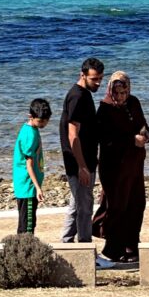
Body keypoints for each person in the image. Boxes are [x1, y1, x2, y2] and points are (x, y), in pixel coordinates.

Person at [93, 71, 149, 263]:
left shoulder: (134, 103)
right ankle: (112, 249)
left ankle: (131, 246)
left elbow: (143, 125)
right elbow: (105, 139)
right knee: (117, 206)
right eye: (117, 93)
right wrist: (131, 140)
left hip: (135, 164)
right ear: (111, 90)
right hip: (114, 167)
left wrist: (148, 134)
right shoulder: (105, 108)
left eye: (123, 93)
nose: (120, 97)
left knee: (137, 204)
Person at [59, 58, 108, 266]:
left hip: (86, 160)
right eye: (94, 79)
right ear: (83, 75)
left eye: (100, 79)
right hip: (79, 164)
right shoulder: (77, 97)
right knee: (85, 207)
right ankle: (87, 254)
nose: (98, 83)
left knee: (76, 204)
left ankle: (66, 245)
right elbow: (73, 135)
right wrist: (82, 166)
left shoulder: (84, 94)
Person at [12, 98, 52, 234]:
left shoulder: (31, 129)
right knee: (27, 226)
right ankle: (24, 254)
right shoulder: (30, 135)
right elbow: (29, 165)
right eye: (40, 121)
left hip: (26, 185)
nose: (44, 124)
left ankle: (22, 252)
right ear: (31, 116)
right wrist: (38, 188)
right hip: (27, 186)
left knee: (27, 222)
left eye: (46, 120)